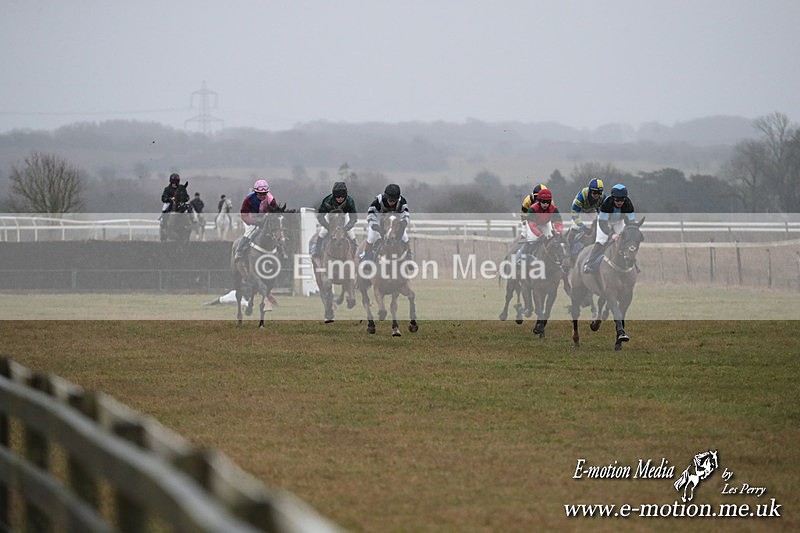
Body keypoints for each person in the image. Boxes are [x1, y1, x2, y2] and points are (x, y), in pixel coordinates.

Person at [582, 184, 636, 273]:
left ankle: (631, 263)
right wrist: (612, 234)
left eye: (622, 200)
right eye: (617, 200)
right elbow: (603, 223)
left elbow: (631, 221)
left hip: (618, 221)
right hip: (604, 221)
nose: (620, 202)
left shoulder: (628, 203)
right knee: (601, 241)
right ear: (613, 198)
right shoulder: (606, 203)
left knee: (624, 240)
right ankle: (589, 264)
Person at [362, 183, 411, 261]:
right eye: (390, 200)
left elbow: (405, 214)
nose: (392, 202)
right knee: (371, 237)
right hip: (378, 221)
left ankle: (409, 256)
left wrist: (403, 223)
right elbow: (370, 214)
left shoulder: (402, 201)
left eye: (394, 201)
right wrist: (375, 226)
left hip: (394, 223)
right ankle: (367, 257)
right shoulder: (378, 200)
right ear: (386, 197)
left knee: (405, 237)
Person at [233, 179, 280, 262]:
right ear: (255, 192)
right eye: (260, 194)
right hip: (251, 218)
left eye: (264, 194)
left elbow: (275, 212)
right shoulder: (248, 199)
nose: (262, 196)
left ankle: (281, 250)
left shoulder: (271, 199)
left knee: (273, 231)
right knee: (250, 231)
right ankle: (239, 251)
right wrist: (254, 222)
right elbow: (244, 215)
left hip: (264, 217)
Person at [311, 181, 358, 258]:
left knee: (351, 234)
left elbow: (354, 218)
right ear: (334, 195)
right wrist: (328, 226)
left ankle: (354, 253)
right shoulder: (327, 200)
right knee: (323, 232)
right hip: (330, 216)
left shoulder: (350, 201)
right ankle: (317, 251)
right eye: (338, 197)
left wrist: (347, 227)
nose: (340, 199)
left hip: (343, 217)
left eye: (342, 197)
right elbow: (320, 216)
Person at [517, 188, 563, 262]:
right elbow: (532, 226)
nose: (545, 204)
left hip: (545, 223)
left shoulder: (554, 209)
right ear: (539, 201)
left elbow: (558, 222)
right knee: (533, 240)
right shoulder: (532, 209)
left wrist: (558, 231)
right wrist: (540, 234)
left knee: (551, 239)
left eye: (548, 202)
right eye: (543, 202)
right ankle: (521, 258)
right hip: (533, 225)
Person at [568, 178, 605, 252]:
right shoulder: (582, 195)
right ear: (590, 191)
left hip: (591, 210)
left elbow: (603, 212)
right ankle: (568, 250)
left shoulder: (603, 197)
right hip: (579, 211)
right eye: (594, 192)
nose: (597, 195)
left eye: (599, 192)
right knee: (575, 227)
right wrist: (582, 227)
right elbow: (574, 214)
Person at [159, 173, 181, 238]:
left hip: (179, 203)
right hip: (169, 203)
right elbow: (163, 198)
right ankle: (163, 223)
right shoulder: (167, 189)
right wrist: (170, 199)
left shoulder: (181, 188)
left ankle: (191, 220)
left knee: (188, 208)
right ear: (171, 182)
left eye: (176, 182)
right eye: (173, 182)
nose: (174, 184)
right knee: (165, 209)